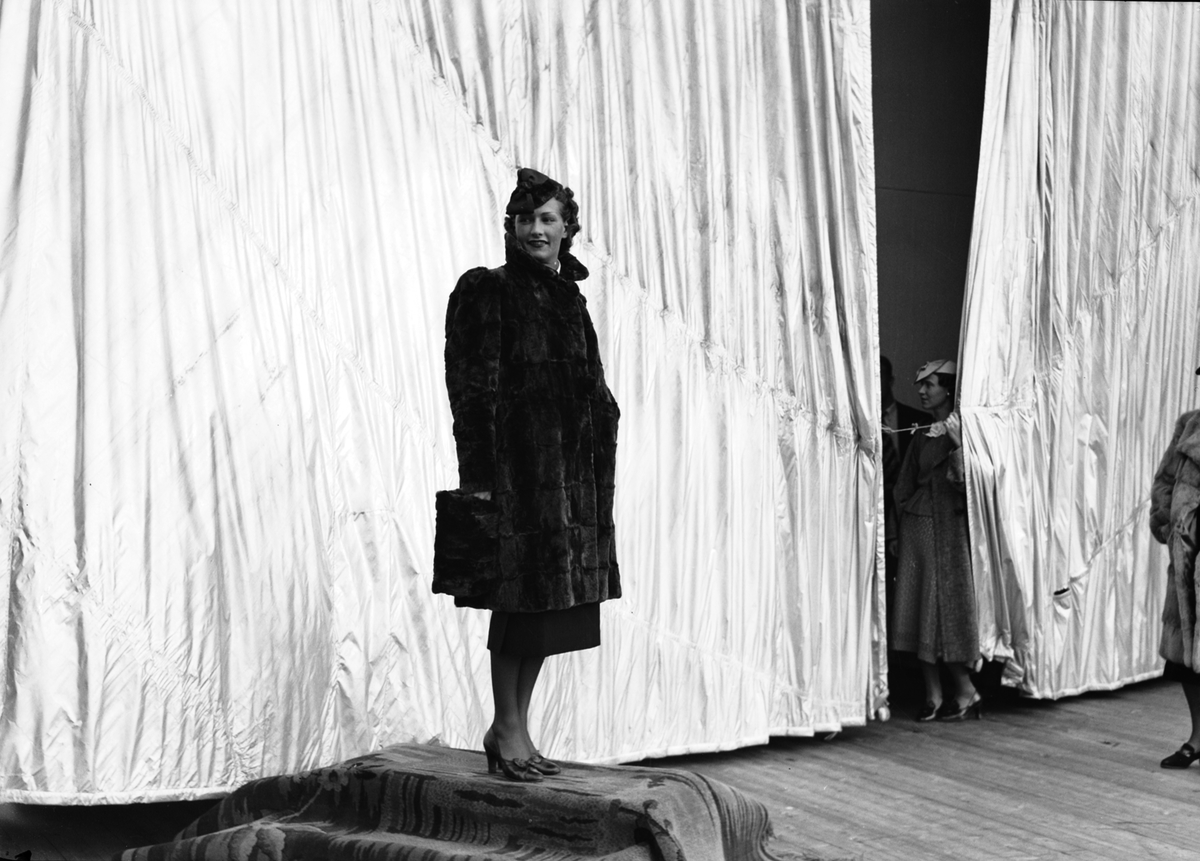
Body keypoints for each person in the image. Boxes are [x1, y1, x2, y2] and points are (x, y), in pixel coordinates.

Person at [438, 167, 621, 781]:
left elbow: (591, 385)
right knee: (516, 607)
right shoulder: (487, 289)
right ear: (511, 226)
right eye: (525, 219)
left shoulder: (570, 298)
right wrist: (481, 478)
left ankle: (513, 726)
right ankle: (507, 727)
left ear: (568, 228)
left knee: (548, 612)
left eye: (547, 219)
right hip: (516, 477)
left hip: (570, 481)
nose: (535, 229)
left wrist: (599, 440)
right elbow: (470, 390)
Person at [891, 359, 981, 721]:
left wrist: (958, 444)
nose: (922, 391)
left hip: (943, 535)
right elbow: (904, 484)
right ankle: (933, 693)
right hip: (915, 531)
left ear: (948, 389)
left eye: (930, 385)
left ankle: (965, 689)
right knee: (916, 611)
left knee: (937, 613)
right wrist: (897, 529)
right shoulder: (922, 434)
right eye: (921, 385)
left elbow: (968, 485)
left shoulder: (965, 431)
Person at [1148, 385, 1200, 770]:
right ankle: (1198, 738)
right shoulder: (1189, 424)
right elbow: (1165, 480)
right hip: (1187, 559)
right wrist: (1169, 525)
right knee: (1185, 659)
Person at [881, 356, 931, 628]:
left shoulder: (918, 421)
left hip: (910, 514)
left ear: (890, 381)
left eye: (880, 376)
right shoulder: (858, 420)